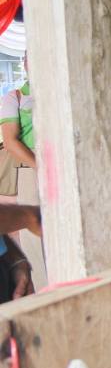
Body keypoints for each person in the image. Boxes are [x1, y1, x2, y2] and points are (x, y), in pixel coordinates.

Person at [0, 54, 46, 289]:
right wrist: (44, 168)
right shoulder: (15, 97)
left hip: (63, 169)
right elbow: (10, 142)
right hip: (31, 171)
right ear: (25, 65)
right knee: (36, 238)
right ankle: (44, 290)